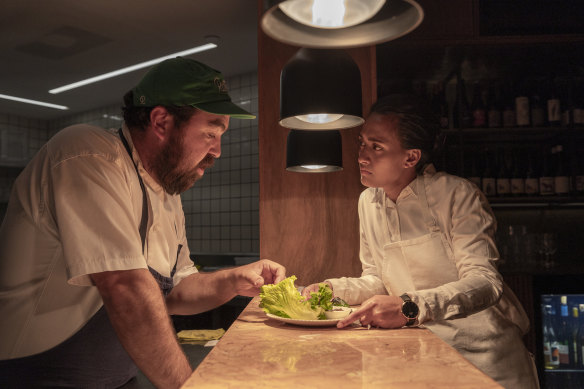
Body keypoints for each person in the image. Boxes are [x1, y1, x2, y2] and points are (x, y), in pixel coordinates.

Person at [0, 57, 285, 388]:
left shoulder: (166, 193)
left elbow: (176, 290)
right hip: (34, 375)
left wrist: (233, 279)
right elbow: (125, 285)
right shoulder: (87, 154)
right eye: (210, 132)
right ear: (161, 121)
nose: (217, 151)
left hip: (117, 379)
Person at [302, 94, 539, 388]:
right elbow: (377, 278)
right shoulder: (368, 200)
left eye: (377, 147)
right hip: (420, 351)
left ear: (410, 157)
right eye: (362, 143)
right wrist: (332, 289)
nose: (362, 156)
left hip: (485, 360)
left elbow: (485, 282)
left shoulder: (457, 194)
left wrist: (409, 307)